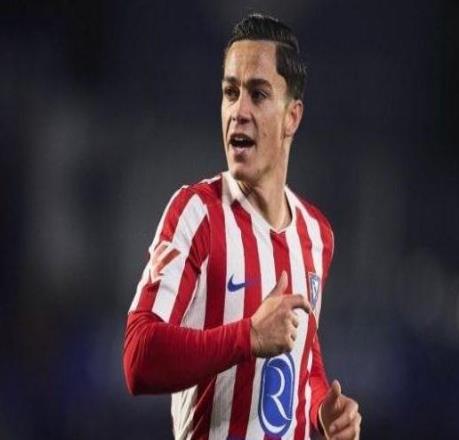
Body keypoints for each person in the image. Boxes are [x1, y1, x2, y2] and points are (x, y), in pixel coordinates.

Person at [123, 13, 362, 440]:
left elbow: (304, 359)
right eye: (230, 93)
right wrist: (247, 336)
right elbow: (138, 358)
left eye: (258, 94)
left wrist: (323, 412)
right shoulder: (197, 214)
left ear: (292, 117)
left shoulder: (317, 234)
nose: (239, 112)